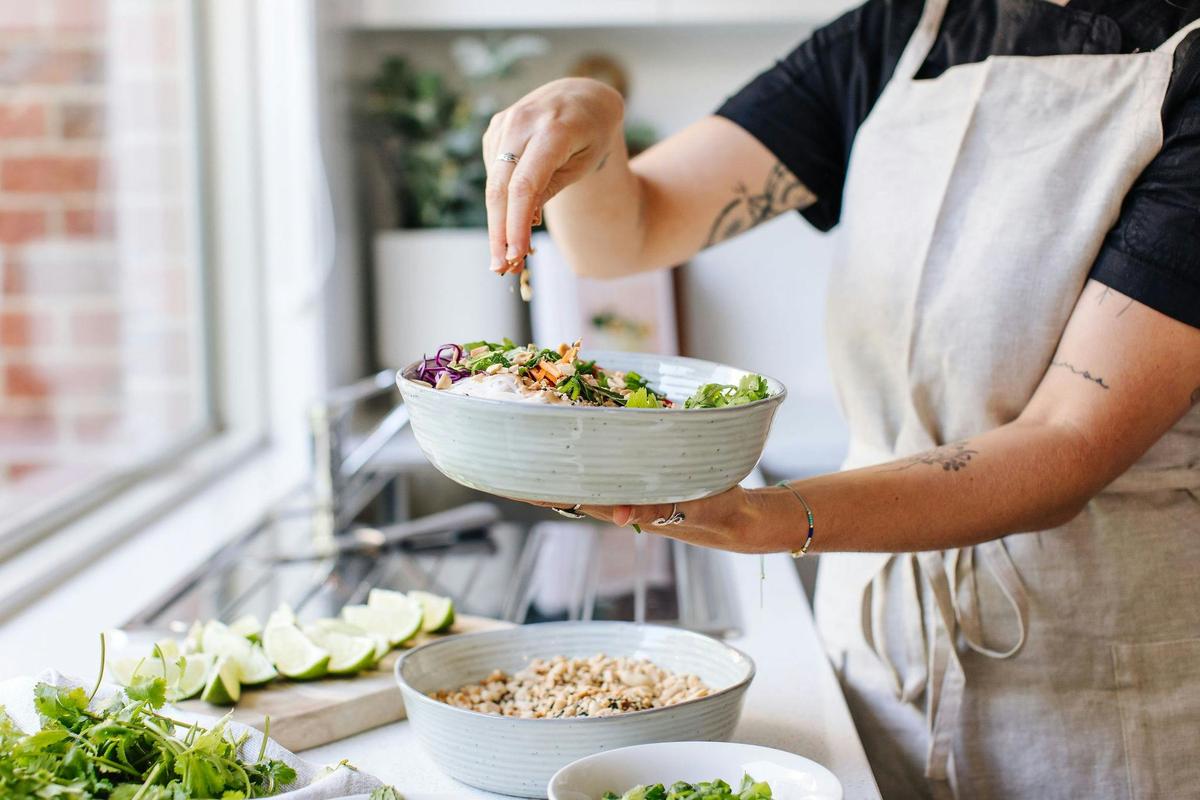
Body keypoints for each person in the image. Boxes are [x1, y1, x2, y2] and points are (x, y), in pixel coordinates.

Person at [479, 1, 1200, 798]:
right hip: (874, 662)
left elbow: (1070, 442)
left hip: (1095, 681)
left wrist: (763, 518)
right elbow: (625, 236)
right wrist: (594, 123)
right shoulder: (903, 30)